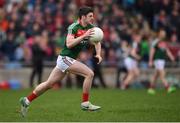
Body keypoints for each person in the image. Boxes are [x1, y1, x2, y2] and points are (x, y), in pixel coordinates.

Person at [19, 6, 102, 117]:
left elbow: (97, 41)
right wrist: (83, 36)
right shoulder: (73, 27)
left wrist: (98, 54)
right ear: (83, 17)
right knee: (89, 74)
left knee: (49, 84)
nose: (92, 18)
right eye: (90, 16)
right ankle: (85, 103)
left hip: (67, 60)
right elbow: (69, 44)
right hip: (65, 58)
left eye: (93, 16)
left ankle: (26, 100)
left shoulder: (91, 28)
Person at [148, 29, 176, 94]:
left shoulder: (164, 42)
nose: (164, 34)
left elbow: (166, 50)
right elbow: (152, 51)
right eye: (162, 33)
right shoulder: (156, 41)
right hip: (157, 59)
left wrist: (171, 56)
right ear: (159, 34)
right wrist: (150, 60)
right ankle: (168, 87)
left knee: (156, 75)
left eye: (164, 33)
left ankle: (151, 88)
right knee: (162, 73)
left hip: (162, 60)